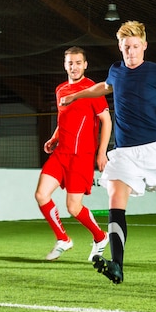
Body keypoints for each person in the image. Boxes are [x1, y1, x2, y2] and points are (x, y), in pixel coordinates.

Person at [61, 21, 156, 284]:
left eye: (135, 47)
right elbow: (104, 86)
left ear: (144, 46)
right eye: (125, 48)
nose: (130, 52)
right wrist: (76, 96)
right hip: (124, 153)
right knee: (115, 201)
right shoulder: (116, 71)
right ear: (119, 48)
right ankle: (117, 265)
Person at [35, 46, 112, 261]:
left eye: (78, 62)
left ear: (85, 65)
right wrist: (54, 137)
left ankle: (100, 237)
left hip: (82, 156)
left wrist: (101, 153)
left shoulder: (93, 89)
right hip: (61, 153)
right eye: (70, 62)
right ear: (64, 64)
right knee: (41, 195)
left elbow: (106, 121)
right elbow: (64, 120)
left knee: (73, 207)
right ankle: (63, 239)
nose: (74, 66)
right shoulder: (60, 89)